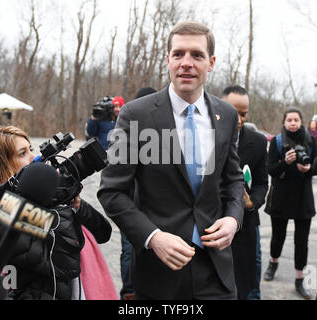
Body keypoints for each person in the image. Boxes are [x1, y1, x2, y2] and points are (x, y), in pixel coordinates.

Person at [98, 21, 244, 300]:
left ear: (211, 62)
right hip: (157, 273)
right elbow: (112, 192)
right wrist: (153, 237)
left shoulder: (226, 115)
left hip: (217, 273)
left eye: (197, 55)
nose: (186, 63)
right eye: (178, 54)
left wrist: (233, 220)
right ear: (168, 60)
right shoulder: (134, 115)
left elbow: (233, 179)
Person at [0, 126, 114, 300]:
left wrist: (76, 204)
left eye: (31, 150)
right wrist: (57, 205)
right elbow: (66, 264)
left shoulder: (46, 193)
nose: (35, 157)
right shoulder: (7, 211)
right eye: (22, 153)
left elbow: (103, 232)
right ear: (2, 167)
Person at [263, 107, 317, 299]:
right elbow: (271, 170)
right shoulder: (277, 142)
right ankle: (273, 262)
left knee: (301, 242)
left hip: (303, 200)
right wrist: (285, 162)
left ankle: (299, 279)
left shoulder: (311, 141)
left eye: (296, 119)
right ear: (284, 123)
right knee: (277, 237)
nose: (293, 123)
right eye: (289, 120)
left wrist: (308, 168)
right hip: (281, 198)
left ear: (301, 122)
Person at [222, 85, 268, 300]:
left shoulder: (258, 142)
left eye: (243, 114)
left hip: (247, 223)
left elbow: (261, 183)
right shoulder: (207, 138)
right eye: (234, 112)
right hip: (213, 221)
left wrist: (251, 203)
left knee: (247, 277)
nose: (239, 119)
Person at [119, 86, 157, 300]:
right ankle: (129, 293)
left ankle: (130, 292)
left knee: (131, 252)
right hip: (132, 208)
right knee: (129, 251)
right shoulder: (127, 133)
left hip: (148, 209)